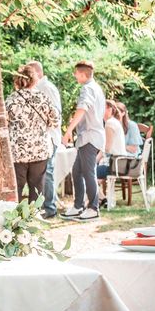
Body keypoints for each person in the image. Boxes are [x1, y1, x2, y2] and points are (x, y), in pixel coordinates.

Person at [5, 65, 60, 204]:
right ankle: (34, 216)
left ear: (17, 80)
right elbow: (55, 121)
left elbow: (4, 123)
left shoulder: (11, 99)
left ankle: (15, 218)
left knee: (17, 187)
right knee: (37, 186)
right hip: (39, 149)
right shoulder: (43, 98)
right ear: (34, 80)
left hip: (18, 150)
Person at [61, 60, 106, 221]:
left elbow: (82, 109)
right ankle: (78, 206)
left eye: (76, 73)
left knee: (88, 172)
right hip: (88, 137)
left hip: (90, 137)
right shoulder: (96, 88)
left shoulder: (87, 89)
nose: (74, 76)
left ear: (82, 73)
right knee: (77, 171)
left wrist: (68, 131)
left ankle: (93, 208)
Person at [27, 61, 62, 218]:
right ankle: (45, 206)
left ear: (37, 72)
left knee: (47, 172)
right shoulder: (40, 87)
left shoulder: (46, 88)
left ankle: (50, 207)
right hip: (43, 138)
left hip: (49, 137)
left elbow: (55, 113)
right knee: (43, 173)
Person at [96, 100, 128, 187]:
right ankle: (100, 198)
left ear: (109, 109)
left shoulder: (110, 123)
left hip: (115, 166)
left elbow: (107, 149)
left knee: (85, 172)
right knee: (88, 170)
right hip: (120, 164)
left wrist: (95, 161)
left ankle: (101, 198)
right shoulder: (114, 122)